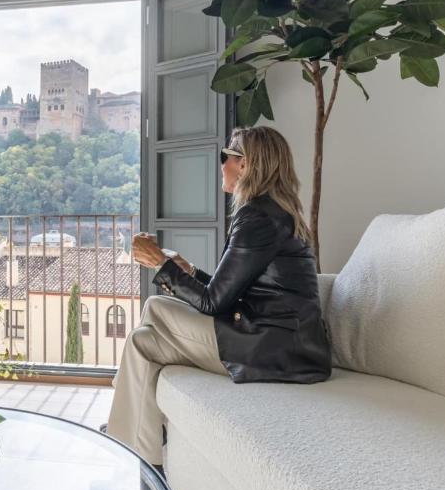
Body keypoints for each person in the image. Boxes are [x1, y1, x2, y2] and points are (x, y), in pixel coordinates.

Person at [105, 125, 331, 468]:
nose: (221, 163)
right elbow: (232, 289)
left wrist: (159, 263)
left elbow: (214, 303)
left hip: (272, 346)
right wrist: (188, 270)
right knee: (148, 326)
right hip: (280, 340)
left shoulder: (257, 217)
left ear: (246, 165)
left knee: (147, 326)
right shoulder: (271, 213)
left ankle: (133, 448)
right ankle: (140, 450)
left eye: (226, 156)